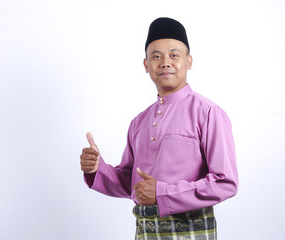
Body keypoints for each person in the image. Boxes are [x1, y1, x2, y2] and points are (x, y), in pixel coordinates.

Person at [79, 17, 238, 240]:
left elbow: (225, 182)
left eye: (174, 55)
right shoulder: (139, 122)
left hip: (191, 231)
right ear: (146, 65)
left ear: (188, 61)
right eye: (156, 56)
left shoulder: (208, 113)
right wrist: (97, 169)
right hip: (144, 232)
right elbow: (130, 182)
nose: (165, 62)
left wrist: (163, 193)